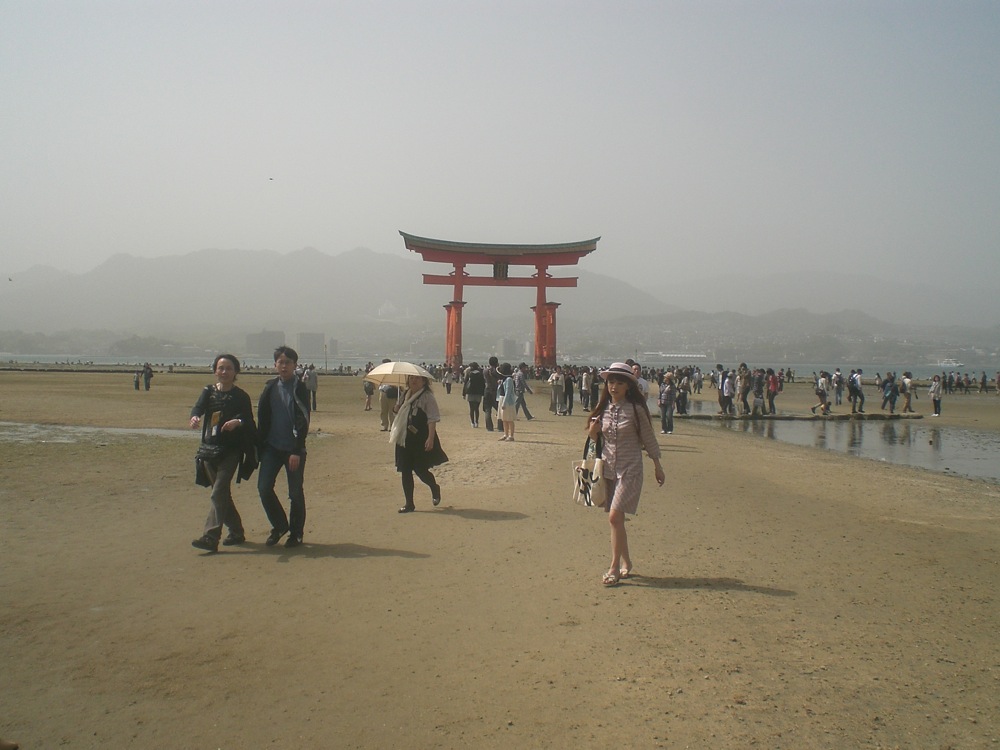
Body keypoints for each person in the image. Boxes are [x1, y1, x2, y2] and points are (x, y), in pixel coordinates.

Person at [586, 362, 665, 587]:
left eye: (620, 383)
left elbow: (648, 438)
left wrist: (657, 465)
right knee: (617, 519)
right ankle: (626, 562)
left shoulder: (636, 410)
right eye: (611, 382)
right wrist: (593, 432)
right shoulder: (603, 408)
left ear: (629, 386)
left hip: (631, 468)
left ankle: (614, 568)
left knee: (614, 516)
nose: (614, 386)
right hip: (608, 468)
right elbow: (595, 439)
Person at [189, 354, 258, 552]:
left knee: (219, 491)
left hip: (231, 451)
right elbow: (198, 408)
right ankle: (236, 531)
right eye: (221, 368)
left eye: (228, 368)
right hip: (209, 450)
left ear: (236, 372)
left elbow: (249, 421)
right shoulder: (208, 392)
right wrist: (195, 417)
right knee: (221, 495)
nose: (224, 372)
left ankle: (210, 537)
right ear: (215, 371)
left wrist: (238, 422)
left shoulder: (241, 396)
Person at [257, 346, 310, 548]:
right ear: (275, 365)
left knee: (295, 492)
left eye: (288, 362)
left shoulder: (300, 388)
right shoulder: (270, 387)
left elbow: (303, 420)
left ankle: (296, 533)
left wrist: (296, 449)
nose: (284, 366)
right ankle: (279, 525)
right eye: (281, 362)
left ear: (295, 365)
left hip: (293, 450)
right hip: (271, 447)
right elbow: (263, 417)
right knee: (263, 488)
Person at [391, 373, 447, 512]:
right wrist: (395, 409)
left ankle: (434, 487)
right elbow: (399, 413)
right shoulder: (405, 394)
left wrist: (430, 438)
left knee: (420, 470)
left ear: (423, 381)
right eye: (411, 378)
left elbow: (432, 418)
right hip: (404, 437)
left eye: (417, 378)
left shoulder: (427, 397)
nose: (414, 381)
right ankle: (409, 503)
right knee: (405, 470)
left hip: (420, 438)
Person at [496, 363, 517, 441]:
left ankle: (511, 435)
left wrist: (504, 403)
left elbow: (508, 392)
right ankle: (505, 434)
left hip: (507, 401)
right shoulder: (504, 379)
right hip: (502, 398)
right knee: (504, 418)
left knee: (509, 418)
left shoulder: (509, 379)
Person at [462, 361, 486, 427]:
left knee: (471, 409)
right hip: (478, 393)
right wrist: (483, 393)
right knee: (476, 408)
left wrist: (464, 393)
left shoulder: (469, 374)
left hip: (470, 393)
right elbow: (483, 384)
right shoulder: (480, 374)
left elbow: (465, 384)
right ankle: (477, 422)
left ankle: (472, 423)